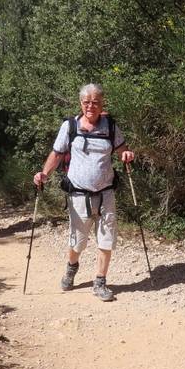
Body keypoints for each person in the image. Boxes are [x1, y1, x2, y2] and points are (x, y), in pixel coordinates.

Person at [33, 84, 135, 302]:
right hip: (79, 194)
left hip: (106, 191)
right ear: (81, 103)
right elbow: (57, 154)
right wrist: (44, 174)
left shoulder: (110, 126)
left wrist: (126, 154)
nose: (91, 106)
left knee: (107, 239)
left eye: (96, 102)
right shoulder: (69, 127)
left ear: (102, 104)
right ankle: (71, 267)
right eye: (87, 102)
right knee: (78, 241)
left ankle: (100, 281)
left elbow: (121, 148)